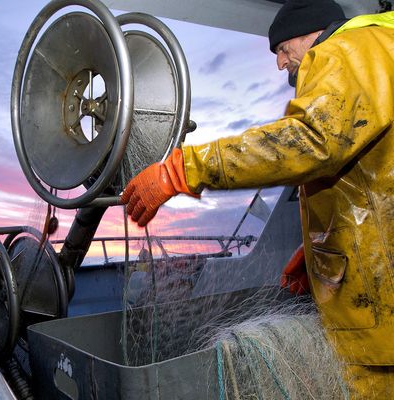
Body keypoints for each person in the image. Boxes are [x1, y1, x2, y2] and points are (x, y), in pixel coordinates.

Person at [120, 0, 394, 397]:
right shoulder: (381, 49)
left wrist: (185, 170)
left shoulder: (342, 52)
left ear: (312, 32)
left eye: (283, 49)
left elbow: (310, 142)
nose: (282, 64)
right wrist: (321, 247)